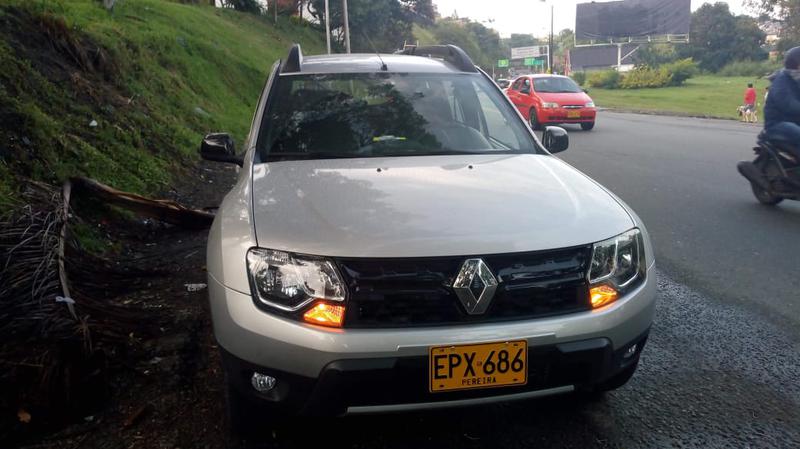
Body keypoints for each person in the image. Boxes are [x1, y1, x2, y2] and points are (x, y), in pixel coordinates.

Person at [763, 46, 800, 149]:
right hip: (777, 124)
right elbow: (787, 104)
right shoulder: (781, 80)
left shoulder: (797, 79)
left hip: (794, 121)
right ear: (796, 64)